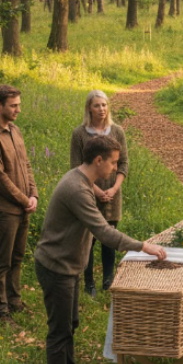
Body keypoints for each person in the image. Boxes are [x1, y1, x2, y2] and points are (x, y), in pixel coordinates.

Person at [34, 135, 166, 364]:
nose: (115, 169)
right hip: (56, 267)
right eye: (113, 162)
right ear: (98, 160)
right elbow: (103, 231)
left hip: (68, 267)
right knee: (60, 332)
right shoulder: (77, 189)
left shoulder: (82, 181)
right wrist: (143, 247)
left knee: (70, 326)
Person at [0, 84, 38, 326]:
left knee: (18, 256)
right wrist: (24, 200)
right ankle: (1, 312)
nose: (18, 110)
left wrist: (34, 194)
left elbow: (26, 165)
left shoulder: (14, 130)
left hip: (23, 206)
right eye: (13, 106)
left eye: (19, 105)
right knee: (2, 261)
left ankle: (15, 301)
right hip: (4, 210)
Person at [70, 90, 129, 298]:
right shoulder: (80, 134)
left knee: (110, 238)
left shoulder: (117, 132)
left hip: (113, 194)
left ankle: (108, 280)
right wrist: (96, 190)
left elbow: (123, 163)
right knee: (88, 239)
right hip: (89, 193)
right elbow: (76, 165)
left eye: (104, 105)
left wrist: (113, 189)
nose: (101, 109)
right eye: (97, 105)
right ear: (89, 108)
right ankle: (88, 283)